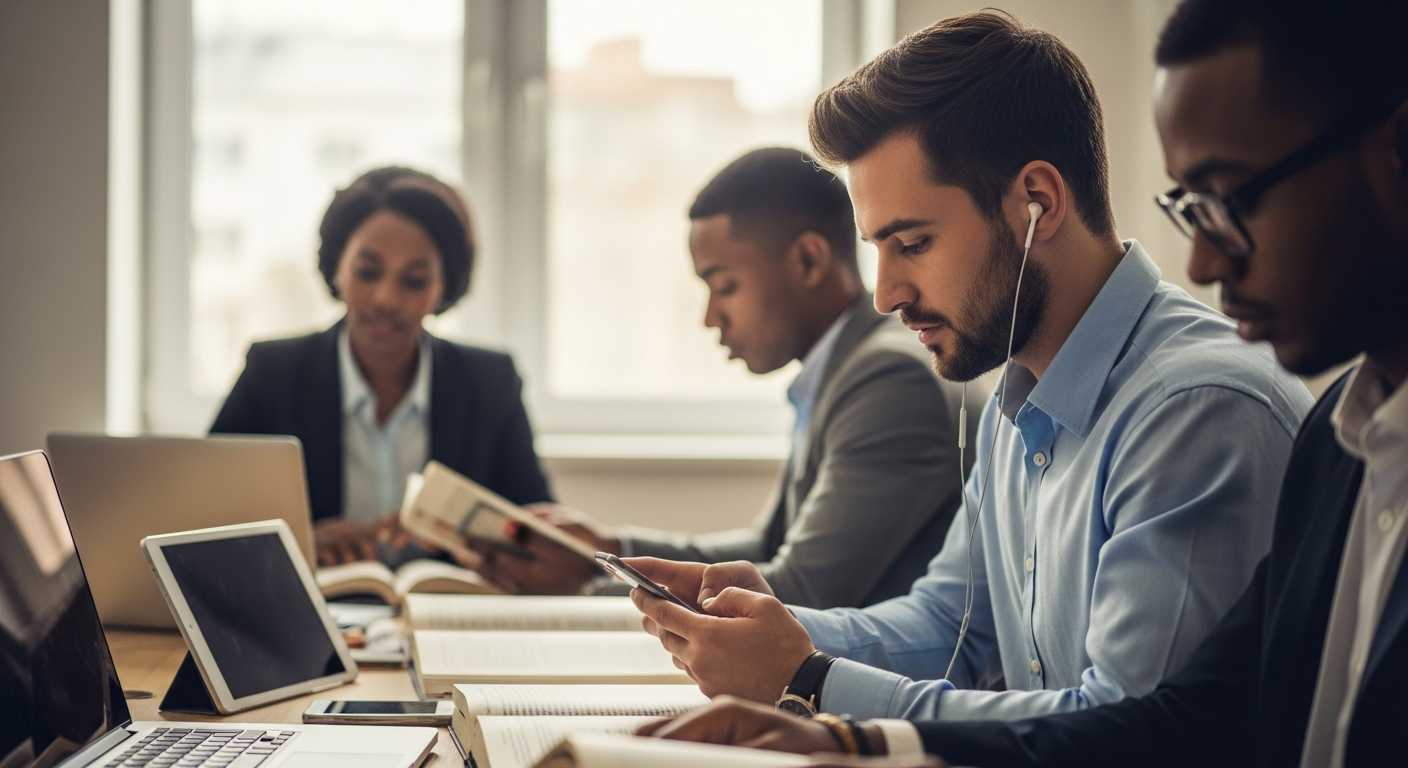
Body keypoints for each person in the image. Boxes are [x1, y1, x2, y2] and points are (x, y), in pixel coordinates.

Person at [639, 0, 1408, 765]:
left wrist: (812, 683)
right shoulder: (1019, 400)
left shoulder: (1197, 411)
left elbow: (1137, 729)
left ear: (1036, 204)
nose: (885, 294)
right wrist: (771, 631)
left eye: (911, 243)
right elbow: (954, 623)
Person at [465, 147, 973, 609]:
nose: (711, 317)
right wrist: (610, 550)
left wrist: (599, 582)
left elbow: (802, 591)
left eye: (724, 285)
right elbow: (768, 547)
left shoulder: (887, 380)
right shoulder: (842, 368)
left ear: (808, 260)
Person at [211, 166, 553, 567]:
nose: (386, 298)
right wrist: (298, 541)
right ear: (337, 267)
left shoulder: (490, 382)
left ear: (445, 287)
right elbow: (203, 518)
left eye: (414, 280)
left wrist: (465, 539)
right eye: (368, 272)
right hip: (318, 613)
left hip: (444, 613)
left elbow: (538, 534)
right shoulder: (273, 374)